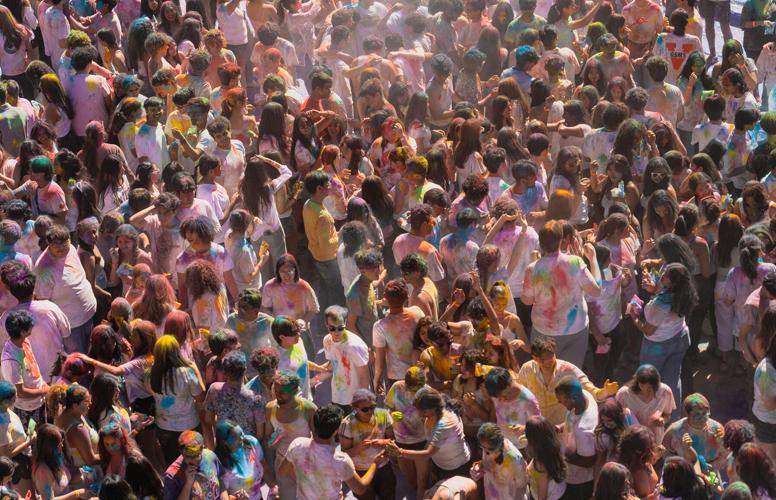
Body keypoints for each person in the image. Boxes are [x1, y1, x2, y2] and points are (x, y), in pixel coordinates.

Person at [521, 220, 601, 367]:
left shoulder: (532, 269)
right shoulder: (575, 262)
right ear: (560, 241)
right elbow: (596, 290)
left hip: (543, 331)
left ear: (541, 242)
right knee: (569, 374)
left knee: (543, 373)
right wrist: (593, 259)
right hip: (575, 330)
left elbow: (526, 301)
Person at [280, 404, 386, 499]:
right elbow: (360, 488)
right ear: (336, 430)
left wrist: (308, 480)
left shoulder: (297, 444)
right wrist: (375, 464)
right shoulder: (340, 460)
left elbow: (283, 472)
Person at [33, 224, 96, 354]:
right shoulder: (43, 269)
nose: (62, 248)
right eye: (57, 245)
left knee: (91, 352)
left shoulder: (71, 249)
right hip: (72, 325)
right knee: (77, 362)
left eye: (64, 243)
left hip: (89, 313)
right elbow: (44, 303)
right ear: (48, 243)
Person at [338, 389, 396, 500]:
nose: (370, 411)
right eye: (365, 409)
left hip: (383, 467)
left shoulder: (383, 415)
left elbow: (392, 439)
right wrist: (358, 448)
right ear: (355, 409)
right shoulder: (348, 424)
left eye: (372, 407)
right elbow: (344, 454)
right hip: (361, 471)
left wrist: (383, 442)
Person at [554, 376, 597, 500]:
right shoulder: (585, 395)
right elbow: (572, 419)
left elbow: (588, 461)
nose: (559, 403)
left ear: (574, 398)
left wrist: (561, 456)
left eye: (562, 401)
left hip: (579, 480)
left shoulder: (584, 429)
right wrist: (559, 427)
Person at [322, 305, 370, 412]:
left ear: (345, 323)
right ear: (326, 326)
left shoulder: (355, 345)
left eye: (340, 328)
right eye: (332, 328)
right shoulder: (327, 341)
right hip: (337, 398)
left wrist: (363, 402)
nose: (336, 332)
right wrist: (314, 380)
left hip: (354, 401)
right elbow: (332, 366)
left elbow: (364, 376)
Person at [162, 430, 229, 500]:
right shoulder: (172, 475)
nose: (193, 460)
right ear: (181, 452)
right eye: (188, 456)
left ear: (202, 448)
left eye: (197, 455)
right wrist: (188, 484)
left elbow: (220, 482)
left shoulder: (210, 456)